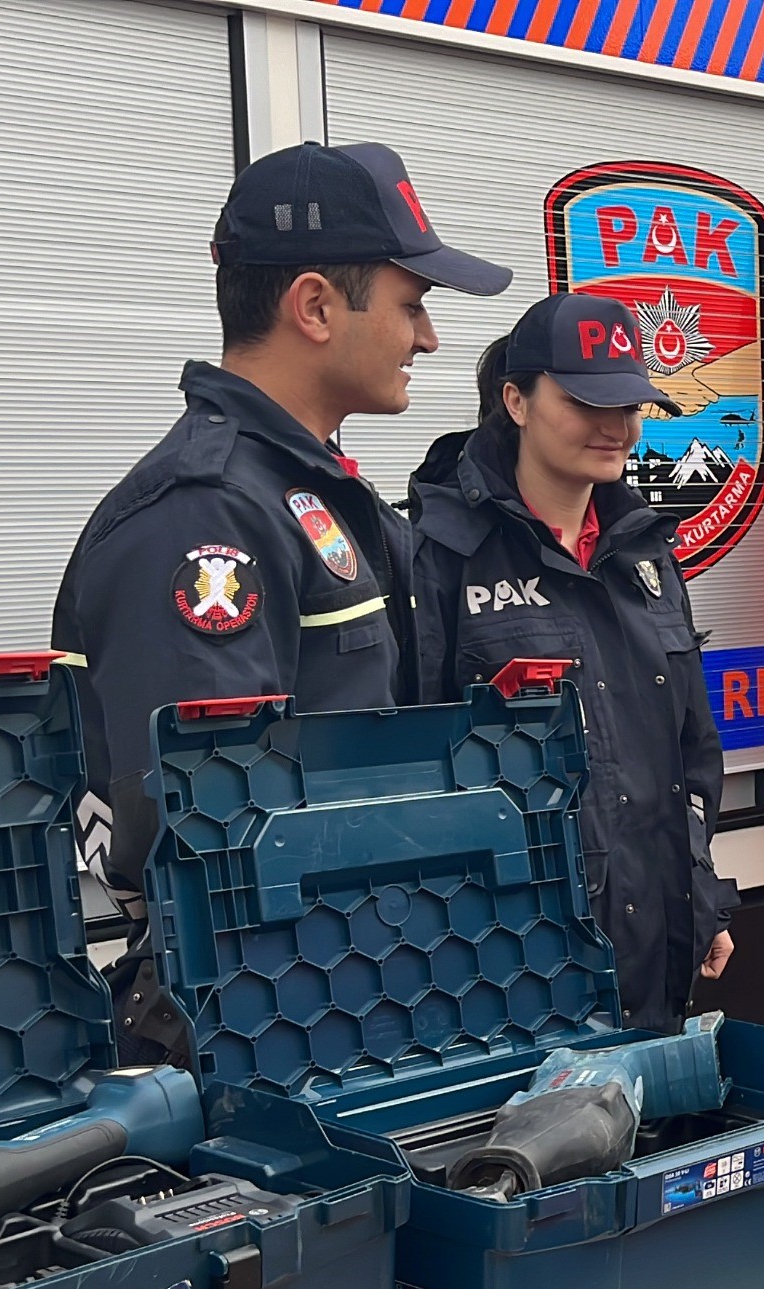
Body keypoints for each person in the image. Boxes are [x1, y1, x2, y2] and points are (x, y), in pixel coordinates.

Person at [52, 140, 511, 1062]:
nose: (427, 337)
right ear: (313, 306)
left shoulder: (314, 494)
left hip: (348, 988)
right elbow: (204, 839)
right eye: (412, 305)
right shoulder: (205, 512)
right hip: (256, 1023)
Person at [403, 293, 737, 1031]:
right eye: (588, 401)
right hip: (509, 966)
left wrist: (701, 894)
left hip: (653, 952)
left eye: (629, 403)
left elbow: (689, 755)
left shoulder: (647, 549)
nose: (616, 426)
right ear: (516, 401)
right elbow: (412, 777)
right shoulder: (439, 556)